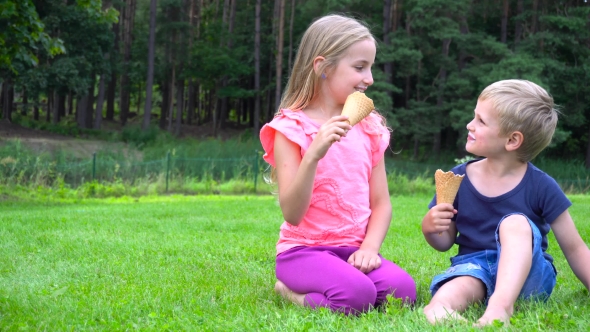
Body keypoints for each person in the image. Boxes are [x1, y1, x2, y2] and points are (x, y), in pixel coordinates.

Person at [259, 14, 416, 315]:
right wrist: (314, 154)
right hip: (302, 252)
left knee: (403, 294)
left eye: (370, 67)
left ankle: (349, 278)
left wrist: (369, 249)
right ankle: (289, 292)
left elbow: (381, 203)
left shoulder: (370, 128)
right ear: (322, 67)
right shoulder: (292, 129)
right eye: (359, 67)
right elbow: (292, 213)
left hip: (353, 250)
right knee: (357, 297)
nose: (369, 78)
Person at [421, 79, 590, 326]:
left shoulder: (541, 186)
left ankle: (500, 308)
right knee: (448, 295)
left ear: (512, 140)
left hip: (529, 279)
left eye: (481, 121)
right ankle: (446, 312)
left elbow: (575, 249)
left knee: (514, 223)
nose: (470, 125)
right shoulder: (458, 178)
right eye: (473, 116)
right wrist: (430, 227)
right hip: (475, 270)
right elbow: (445, 242)